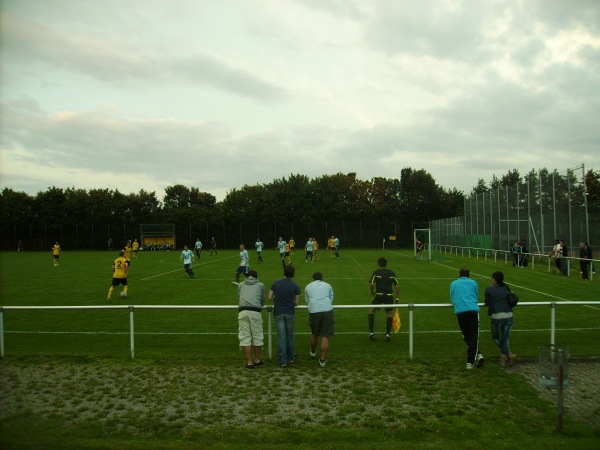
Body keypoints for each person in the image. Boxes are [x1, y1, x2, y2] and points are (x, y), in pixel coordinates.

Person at [450, 268, 484, 369]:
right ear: (468, 275)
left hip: (460, 311)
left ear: (459, 274)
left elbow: (452, 297)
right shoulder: (473, 282)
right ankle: (477, 355)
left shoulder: (453, 283)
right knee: (471, 336)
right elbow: (476, 295)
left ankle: (471, 360)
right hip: (472, 310)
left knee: (466, 335)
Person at [269, 265, 300, 367]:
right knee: (289, 336)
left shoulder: (276, 283)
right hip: (289, 312)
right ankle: (291, 357)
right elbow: (296, 302)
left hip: (278, 312)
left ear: (284, 273)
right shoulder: (295, 286)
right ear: (293, 274)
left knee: (281, 337)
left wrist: (277, 298)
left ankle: (283, 360)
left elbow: (270, 297)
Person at [484, 271, 516, 368]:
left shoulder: (489, 289)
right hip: (509, 316)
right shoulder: (506, 287)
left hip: (497, 317)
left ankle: (507, 356)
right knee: (505, 339)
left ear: (494, 279)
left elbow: (487, 302)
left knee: (495, 337)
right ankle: (507, 356)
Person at [237, 269, 266, 369]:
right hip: (255, 312)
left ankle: (249, 362)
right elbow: (262, 299)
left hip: (243, 312)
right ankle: (257, 360)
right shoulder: (260, 285)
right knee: (257, 336)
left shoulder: (240, 285)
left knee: (245, 337)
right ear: (256, 277)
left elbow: (239, 296)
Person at [305, 272, 334, 367]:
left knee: (314, 333)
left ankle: (313, 351)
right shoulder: (327, 285)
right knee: (325, 335)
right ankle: (322, 359)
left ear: (313, 278)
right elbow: (331, 298)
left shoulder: (308, 286)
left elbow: (307, 300)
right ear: (322, 278)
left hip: (314, 311)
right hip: (327, 310)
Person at [368, 257, 400, 342]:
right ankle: (388, 334)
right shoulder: (391, 272)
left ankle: (371, 333)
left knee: (371, 311)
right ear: (386, 263)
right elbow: (397, 285)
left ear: (378, 264)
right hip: (389, 295)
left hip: (379, 295)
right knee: (389, 314)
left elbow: (371, 284)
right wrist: (397, 298)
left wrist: (371, 291)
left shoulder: (376, 272)